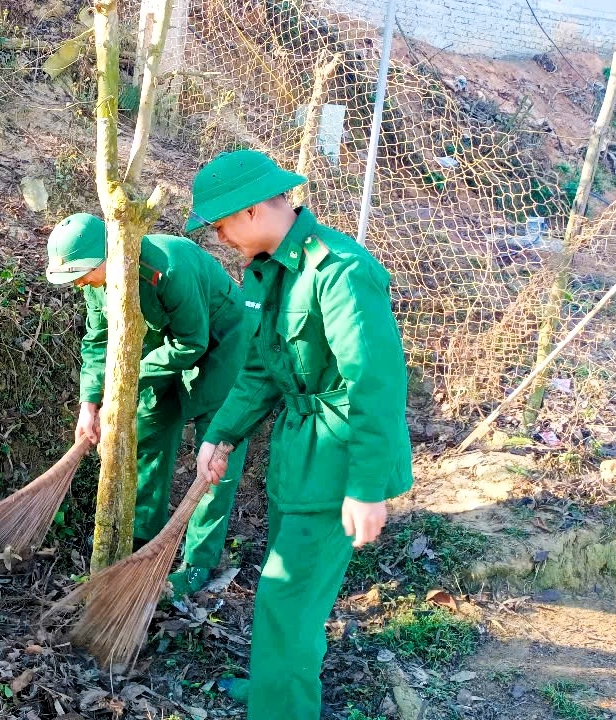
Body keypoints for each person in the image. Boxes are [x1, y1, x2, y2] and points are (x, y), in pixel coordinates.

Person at [189, 150, 413, 719]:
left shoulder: (339, 271)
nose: (218, 237)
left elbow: (374, 386)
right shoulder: (271, 270)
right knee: (285, 591)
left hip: (337, 461)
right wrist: (222, 434)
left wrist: (366, 487)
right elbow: (263, 368)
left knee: (286, 599)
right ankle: (275, 683)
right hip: (296, 455)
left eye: (220, 224)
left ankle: (280, 706)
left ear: (250, 211)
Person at [45, 213, 249, 595]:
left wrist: (124, 382)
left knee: (217, 455)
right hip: (157, 345)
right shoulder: (95, 278)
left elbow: (192, 342)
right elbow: (98, 338)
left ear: (111, 252)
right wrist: (90, 403)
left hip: (221, 342)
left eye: (84, 274)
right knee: (149, 431)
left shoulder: (169, 266)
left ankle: (197, 564)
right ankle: (140, 544)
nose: (81, 284)